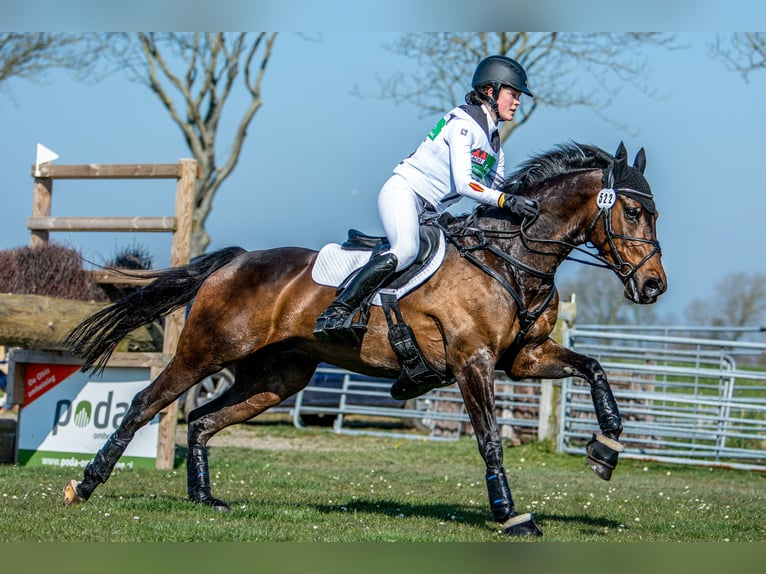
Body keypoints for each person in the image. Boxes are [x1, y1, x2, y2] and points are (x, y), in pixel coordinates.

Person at [314, 55, 540, 343]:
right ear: (490, 91)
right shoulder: (463, 124)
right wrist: (506, 201)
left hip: (430, 212)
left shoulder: (495, 144)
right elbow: (466, 184)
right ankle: (337, 309)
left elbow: (496, 189)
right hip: (404, 192)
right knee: (406, 250)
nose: (518, 102)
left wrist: (527, 206)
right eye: (513, 94)